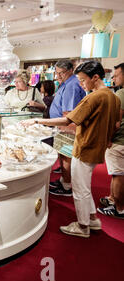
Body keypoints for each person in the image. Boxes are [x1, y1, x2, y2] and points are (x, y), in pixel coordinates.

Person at [21, 61, 121, 238]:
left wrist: (37, 121)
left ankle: (82, 226)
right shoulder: (113, 97)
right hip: (96, 146)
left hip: (85, 146)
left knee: (79, 188)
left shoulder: (94, 97)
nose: (81, 85)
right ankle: (92, 219)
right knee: (84, 185)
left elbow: (68, 120)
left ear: (95, 77)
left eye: (83, 80)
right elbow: (115, 124)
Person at [49, 59, 86, 196]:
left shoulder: (71, 85)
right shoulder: (66, 83)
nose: (58, 76)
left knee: (66, 157)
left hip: (66, 129)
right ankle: (64, 180)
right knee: (63, 155)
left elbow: (68, 114)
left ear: (71, 70)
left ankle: (66, 186)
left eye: (61, 73)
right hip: (62, 128)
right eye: (56, 73)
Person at [98, 62, 124, 219]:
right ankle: (113, 199)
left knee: (117, 174)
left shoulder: (121, 94)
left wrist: (107, 138)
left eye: (117, 74)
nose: (113, 77)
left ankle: (119, 208)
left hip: (119, 141)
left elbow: (116, 121)